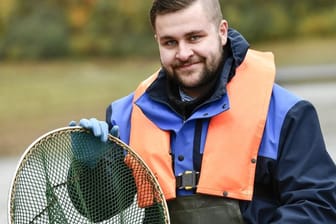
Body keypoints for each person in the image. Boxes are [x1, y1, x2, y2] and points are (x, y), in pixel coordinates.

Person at [70, 0, 336, 223]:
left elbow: (319, 206)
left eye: (194, 37)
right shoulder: (125, 116)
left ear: (221, 32)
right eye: (170, 43)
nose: (184, 53)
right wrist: (89, 169)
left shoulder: (286, 113)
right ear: (157, 42)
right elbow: (98, 210)